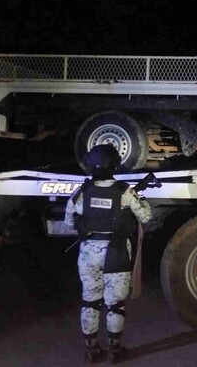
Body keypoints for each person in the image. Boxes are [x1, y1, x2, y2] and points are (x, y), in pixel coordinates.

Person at [65, 144, 151, 364]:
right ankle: (115, 350)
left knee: (90, 302)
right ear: (115, 165)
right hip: (117, 252)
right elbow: (146, 216)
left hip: (88, 254)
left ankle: (91, 350)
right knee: (115, 305)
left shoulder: (82, 192)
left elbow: (68, 221)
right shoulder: (124, 191)